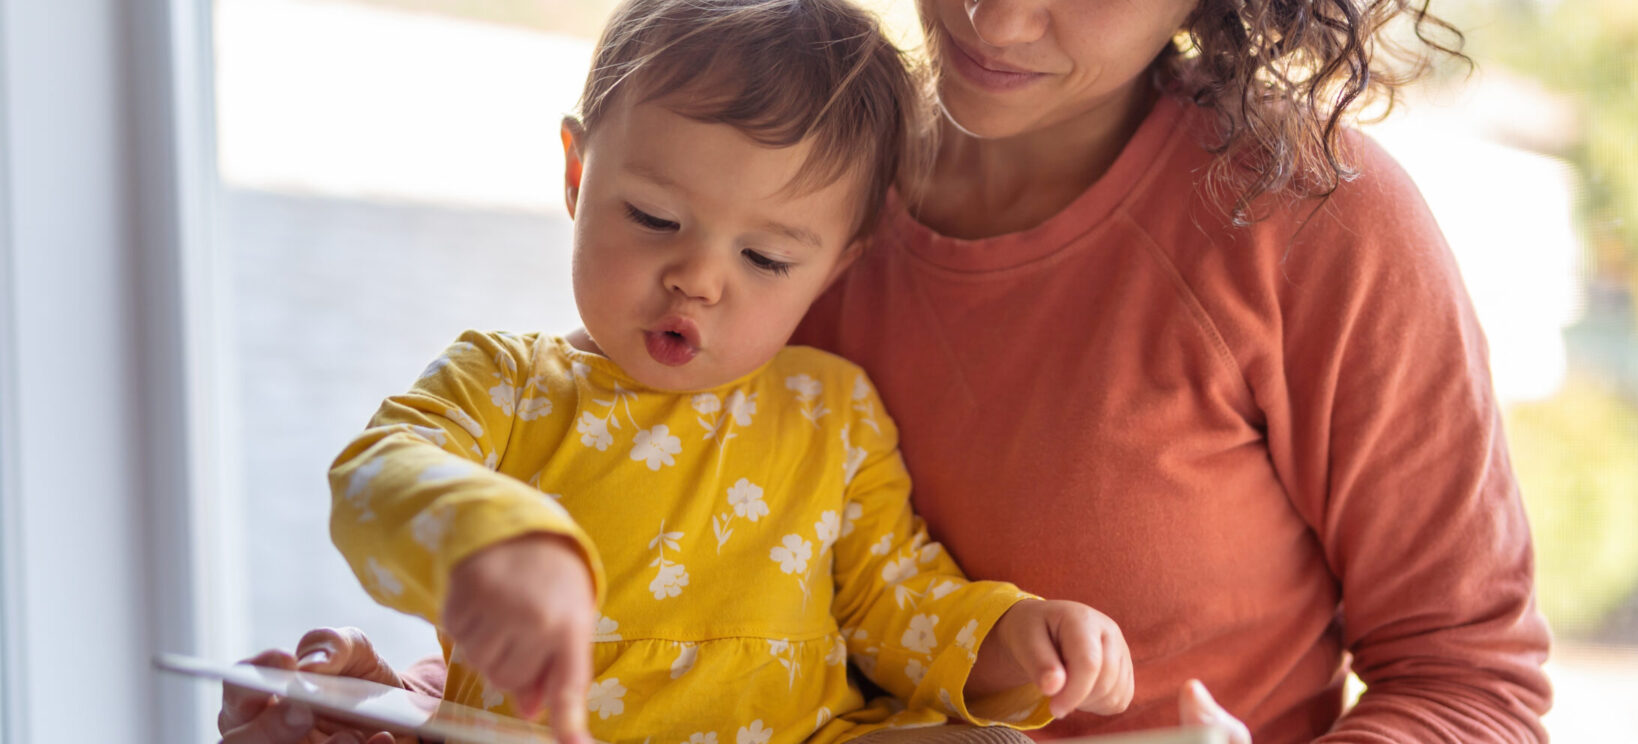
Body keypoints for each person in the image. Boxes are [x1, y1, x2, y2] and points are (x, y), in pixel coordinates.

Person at [226, 0, 1554, 741]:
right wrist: (395, 706)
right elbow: (677, 586)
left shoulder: (1316, 224)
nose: (992, 11)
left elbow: (1474, 685)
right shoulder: (782, 186)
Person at [218, 1, 1137, 743]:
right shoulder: (503, 385)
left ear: (838, 265)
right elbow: (375, 475)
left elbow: (894, 600)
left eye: (767, 260)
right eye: (654, 217)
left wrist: (1010, 643)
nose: (697, 279)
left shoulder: (833, 411)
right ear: (578, 175)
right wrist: (489, 542)